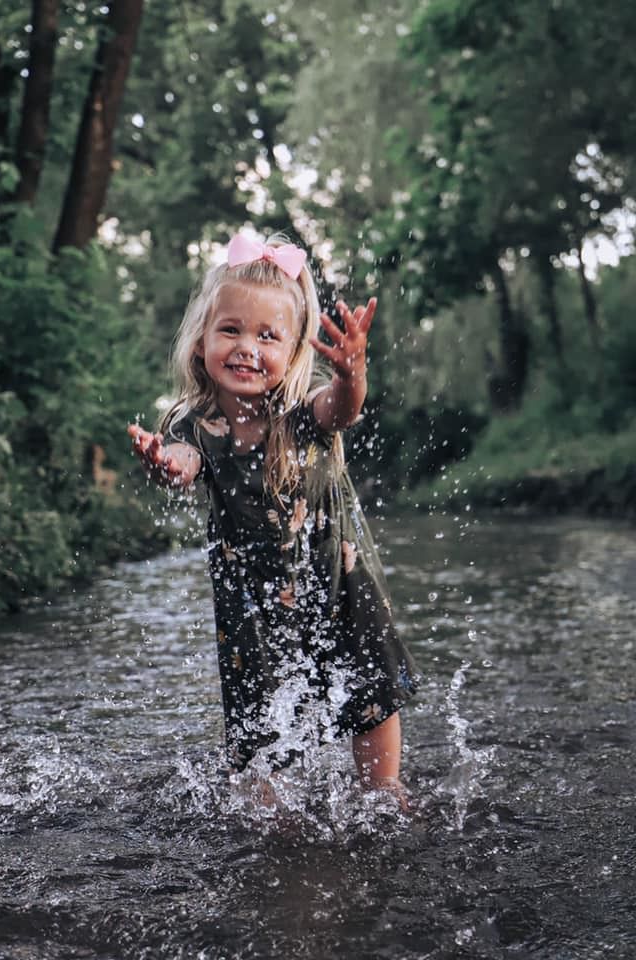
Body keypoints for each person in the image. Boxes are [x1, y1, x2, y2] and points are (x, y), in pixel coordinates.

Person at [128, 231, 419, 802]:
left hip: (338, 578)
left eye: (268, 336)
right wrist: (165, 464)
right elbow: (185, 464)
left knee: (369, 687)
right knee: (256, 708)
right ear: (201, 343)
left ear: (291, 353)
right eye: (230, 330)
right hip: (250, 596)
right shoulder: (193, 422)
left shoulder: (301, 411)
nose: (247, 347)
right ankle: (268, 810)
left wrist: (351, 373)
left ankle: (383, 789)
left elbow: (343, 409)